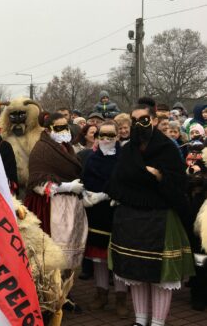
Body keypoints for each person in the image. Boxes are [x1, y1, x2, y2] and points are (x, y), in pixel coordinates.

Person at [105, 97, 195, 326]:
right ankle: (140, 320)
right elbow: (115, 182)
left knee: (161, 276)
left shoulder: (167, 149)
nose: (139, 125)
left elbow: (179, 185)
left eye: (144, 120)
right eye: (135, 121)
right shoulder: (128, 150)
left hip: (161, 219)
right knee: (136, 274)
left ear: (155, 120)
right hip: (131, 220)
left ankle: (156, 323)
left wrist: (160, 176)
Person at [24, 112, 87, 270]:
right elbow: (37, 182)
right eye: (59, 127)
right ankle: (52, 290)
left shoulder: (67, 147)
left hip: (71, 206)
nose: (64, 130)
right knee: (53, 253)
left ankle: (67, 288)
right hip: (51, 206)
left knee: (70, 251)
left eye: (65, 126)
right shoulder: (41, 149)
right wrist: (67, 187)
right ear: (48, 129)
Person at [81, 121, 129, 317]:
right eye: (103, 135)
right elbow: (86, 178)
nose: (107, 139)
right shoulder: (92, 158)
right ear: (97, 137)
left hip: (117, 212)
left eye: (111, 135)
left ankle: (121, 297)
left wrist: (111, 194)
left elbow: (127, 180)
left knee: (116, 256)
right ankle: (101, 294)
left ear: (118, 136)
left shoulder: (125, 158)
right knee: (99, 257)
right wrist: (86, 194)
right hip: (96, 212)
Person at [183, 140, 207, 311]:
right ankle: (198, 295)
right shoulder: (203, 158)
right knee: (201, 257)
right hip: (201, 214)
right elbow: (189, 181)